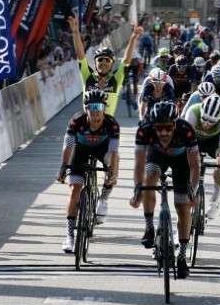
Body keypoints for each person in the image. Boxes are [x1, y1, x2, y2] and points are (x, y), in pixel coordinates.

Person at [130, 100, 200, 278]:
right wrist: (137, 188)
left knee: (183, 206)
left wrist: (192, 189)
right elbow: (139, 164)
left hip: (181, 161)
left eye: (168, 128)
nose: (163, 132)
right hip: (157, 156)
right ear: (152, 126)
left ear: (175, 125)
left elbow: (194, 166)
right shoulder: (144, 130)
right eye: (159, 128)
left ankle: (182, 257)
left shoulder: (186, 130)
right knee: (148, 179)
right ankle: (149, 228)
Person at [56, 89, 120, 252]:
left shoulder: (111, 124)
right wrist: (63, 167)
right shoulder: (76, 121)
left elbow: (112, 152)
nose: (95, 110)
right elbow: (68, 145)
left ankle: (103, 199)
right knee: (74, 191)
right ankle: (70, 236)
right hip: (81, 149)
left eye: (99, 106)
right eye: (91, 107)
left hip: (102, 148)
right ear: (86, 109)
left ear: (104, 108)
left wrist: (111, 172)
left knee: (113, 161)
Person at [69, 15, 142, 117]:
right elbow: (81, 55)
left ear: (111, 64)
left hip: (107, 127)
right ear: (95, 63)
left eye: (107, 60)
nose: (103, 63)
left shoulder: (116, 78)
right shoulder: (88, 77)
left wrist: (133, 37)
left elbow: (126, 59)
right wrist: (76, 32)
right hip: (88, 125)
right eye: (100, 60)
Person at [183, 94, 220, 221]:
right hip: (194, 140)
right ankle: (190, 192)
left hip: (213, 142)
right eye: (205, 119)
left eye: (212, 122)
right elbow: (184, 142)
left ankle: (215, 199)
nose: (207, 124)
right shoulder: (193, 112)